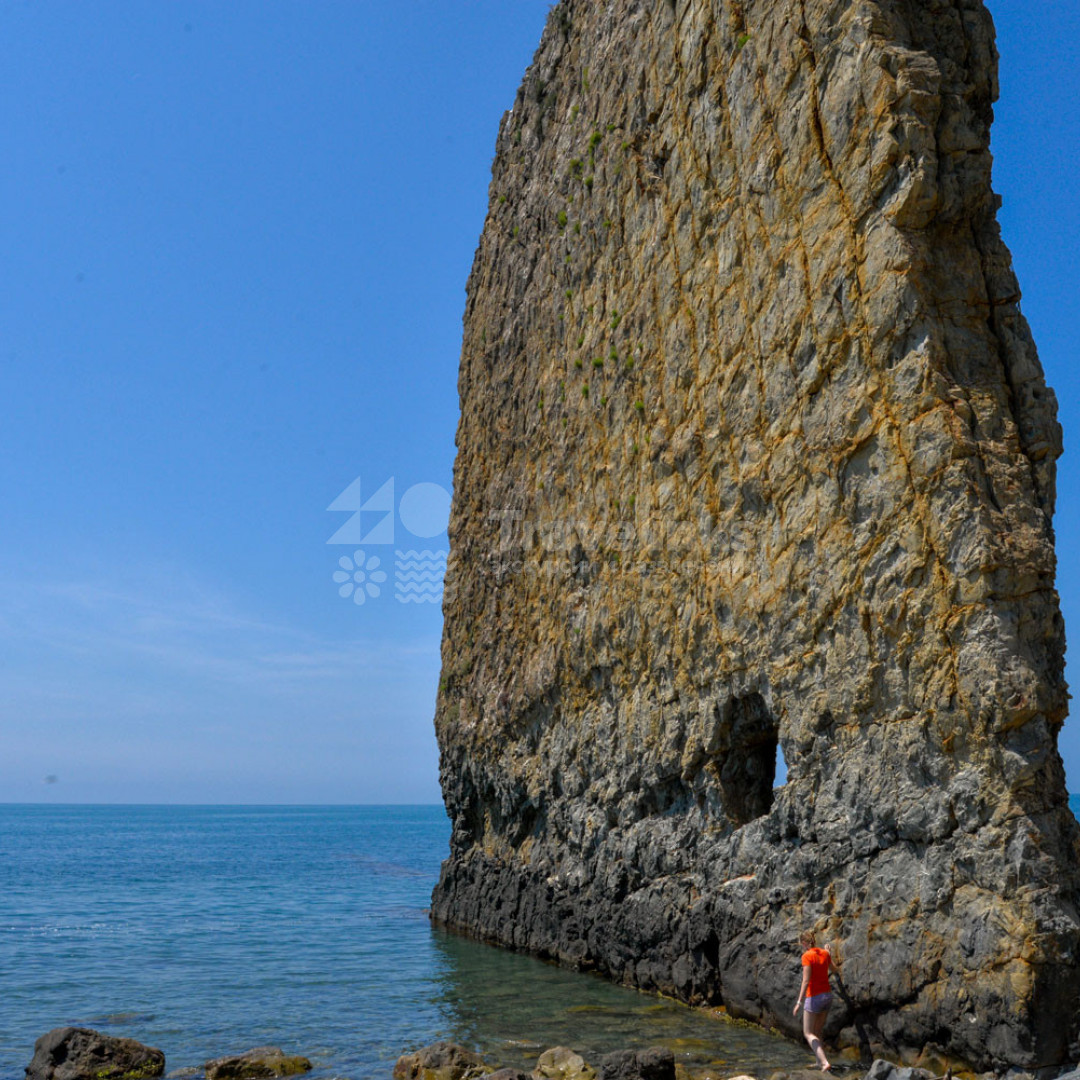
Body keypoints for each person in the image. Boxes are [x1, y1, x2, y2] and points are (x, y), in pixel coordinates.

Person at [793, 930, 835, 1071]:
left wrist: (799, 1002)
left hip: (814, 998)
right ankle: (819, 1062)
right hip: (827, 996)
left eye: (801, 944)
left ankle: (824, 1062)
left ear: (804, 943)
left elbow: (806, 981)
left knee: (808, 1033)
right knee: (817, 1031)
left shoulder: (806, 956)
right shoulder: (824, 953)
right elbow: (834, 970)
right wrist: (828, 953)